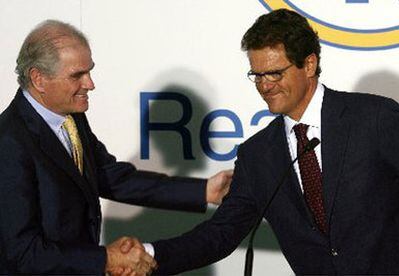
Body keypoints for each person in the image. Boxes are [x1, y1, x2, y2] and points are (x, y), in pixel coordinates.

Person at [140, 8, 399, 275]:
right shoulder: (257, 155)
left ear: (309, 64)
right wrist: (149, 255)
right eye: (257, 75)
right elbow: (220, 234)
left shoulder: (373, 119)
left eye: (274, 73)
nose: (264, 85)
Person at [0, 20, 232, 275]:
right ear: (39, 79)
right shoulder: (8, 142)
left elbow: (112, 177)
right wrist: (104, 259)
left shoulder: (71, 117)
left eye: (89, 71)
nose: (90, 84)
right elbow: (22, 253)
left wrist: (204, 191)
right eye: (77, 75)